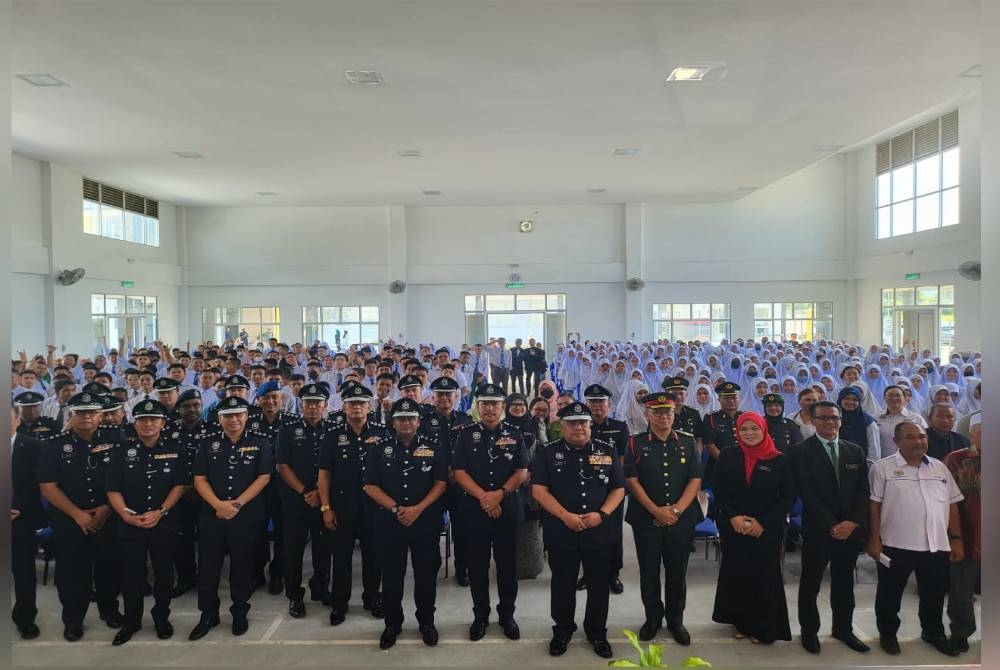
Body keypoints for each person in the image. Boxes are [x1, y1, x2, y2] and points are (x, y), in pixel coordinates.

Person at [530, 402, 626, 659]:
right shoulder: (549, 452)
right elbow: (538, 490)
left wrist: (602, 514)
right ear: (561, 426)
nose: (579, 427)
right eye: (572, 423)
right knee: (562, 583)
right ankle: (562, 630)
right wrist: (565, 516)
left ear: (590, 425)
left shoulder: (607, 449)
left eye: (583, 422)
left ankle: (597, 632)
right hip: (562, 530)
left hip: (599, 530)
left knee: (598, 585)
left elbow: (619, 487)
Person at [868, 421, 964, 657]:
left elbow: (952, 505)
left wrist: (956, 539)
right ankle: (888, 634)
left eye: (922, 436)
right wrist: (873, 540)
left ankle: (933, 632)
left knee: (934, 593)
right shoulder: (883, 468)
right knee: (890, 594)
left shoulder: (939, 468)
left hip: (935, 545)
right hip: (895, 544)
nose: (918, 441)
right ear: (896, 442)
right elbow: (874, 506)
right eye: (910, 437)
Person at [37, 392, 124, 641]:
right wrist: (78, 515)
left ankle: (110, 610)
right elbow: (48, 487)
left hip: (107, 517)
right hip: (69, 521)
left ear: (100, 415)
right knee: (72, 573)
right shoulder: (54, 444)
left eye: (92, 412)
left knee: (109, 568)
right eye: (80, 412)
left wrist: (107, 508)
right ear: (70, 415)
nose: (86, 417)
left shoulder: (116, 439)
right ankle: (73, 620)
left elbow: (125, 478)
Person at [363, 398, 448, 650]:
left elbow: (441, 483)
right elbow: (370, 485)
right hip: (390, 522)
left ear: (419, 421)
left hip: (425, 522)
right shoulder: (379, 447)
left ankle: (426, 622)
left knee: (425, 576)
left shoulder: (434, 446)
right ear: (393, 422)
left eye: (411, 418)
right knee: (391, 577)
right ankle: (392, 623)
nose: (406, 423)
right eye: (401, 419)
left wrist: (418, 509)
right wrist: (397, 508)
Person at [788, 400, 870, 654]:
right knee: (811, 582)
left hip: (850, 530)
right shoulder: (800, 452)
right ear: (812, 421)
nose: (830, 422)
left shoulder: (854, 450)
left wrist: (852, 522)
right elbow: (806, 492)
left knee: (845, 582)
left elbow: (862, 492)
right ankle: (809, 631)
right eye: (824, 418)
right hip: (818, 529)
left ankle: (843, 628)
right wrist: (832, 524)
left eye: (835, 418)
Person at [189, 396, 273, 640]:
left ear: (246, 417)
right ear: (219, 418)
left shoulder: (261, 442)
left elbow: (264, 477)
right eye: (228, 415)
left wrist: (235, 505)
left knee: (242, 566)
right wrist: (218, 504)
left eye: (238, 415)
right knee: (208, 567)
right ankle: (208, 614)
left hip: (245, 515)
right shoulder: (208, 444)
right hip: (212, 515)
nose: (234, 419)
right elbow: (199, 479)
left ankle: (239, 611)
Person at [105, 399, 188, 645]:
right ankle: (132, 620)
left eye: (153, 419)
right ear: (134, 422)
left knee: (163, 573)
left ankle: (161, 617)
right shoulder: (121, 451)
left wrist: (161, 511)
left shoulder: (176, 448)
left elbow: (180, 485)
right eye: (142, 419)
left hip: (163, 522)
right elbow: (112, 488)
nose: (148, 424)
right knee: (131, 574)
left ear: (163, 423)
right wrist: (125, 514)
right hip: (130, 523)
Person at [623, 392, 702, 645]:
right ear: (647, 415)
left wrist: (676, 510)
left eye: (667, 412)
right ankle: (653, 618)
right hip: (646, 519)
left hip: (681, 518)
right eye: (657, 412)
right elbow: (632, 481)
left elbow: (695, 480)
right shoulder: (635, 442)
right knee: (648, 570)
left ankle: (676, 620)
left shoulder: (688, 442)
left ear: (673, 414)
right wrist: (656, 512)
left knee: (677, 571)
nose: (663, 416)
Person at [451, 383, 529, 641]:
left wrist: (499, 495)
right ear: (477, 406)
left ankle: (507, 614)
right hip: (475, 511)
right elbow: (459, 472)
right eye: (485, 403)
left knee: (507, 568)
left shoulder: (515, 434)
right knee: (477, 568)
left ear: (502, 407)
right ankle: (480, 616)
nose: (490, 409)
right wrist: (485, 497)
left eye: (495, 404)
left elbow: (521, 472)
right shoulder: (465, 434)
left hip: (506, 510)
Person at [711, 412, 795, 644]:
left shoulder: (779, 459)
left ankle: (763, 627)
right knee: (738, 574)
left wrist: (763, 522)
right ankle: (741, 623)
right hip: (734, 527)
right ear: (737, 432)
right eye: (744, 429)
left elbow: (788, 497)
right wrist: (734, 517)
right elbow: (720, 490)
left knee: (764, 576)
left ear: (764, 430)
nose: (749, 433)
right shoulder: (728, 455)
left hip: (765, 529)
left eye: (754, 429)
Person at [319, 383, 388, 624]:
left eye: (361, 403)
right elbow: (324, 475)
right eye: (352, 403)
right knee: (341, 558)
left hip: (374, 509)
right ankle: (340, 603)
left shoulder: (381, 433)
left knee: (374, 557)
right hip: (342, 508)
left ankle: (372, 598)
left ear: (369, 407)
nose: (357, 407)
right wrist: (326, 508)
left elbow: (388, 473)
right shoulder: (332, 436)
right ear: (344, 407)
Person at [276, 383, 332, 619]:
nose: (312, 407)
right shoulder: (287, 429)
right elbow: (282, 466)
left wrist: (320, 494)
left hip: (324, 499)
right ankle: (294, 595)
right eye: (307, 403)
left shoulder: (333, 429)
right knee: (293, 549)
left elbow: (336, 468)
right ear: (301, 405)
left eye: (317, 403)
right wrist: (304, 492)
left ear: (325, 406)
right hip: (296, 500)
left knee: (323, 547)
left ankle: (320, 587)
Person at [579, 383, 629, 594]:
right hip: (586, 488)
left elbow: (621, 460)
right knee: (586, 532)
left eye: (601, 402)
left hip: (611, 490)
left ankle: (612, 574)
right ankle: (588, 575)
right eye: (592, 402)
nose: (597, 406)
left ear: (609, 405)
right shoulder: (581, 426)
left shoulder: (619, 427)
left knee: (613, 534)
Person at [943, 413, 981, 654]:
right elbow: (945, 499)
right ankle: (960, 631)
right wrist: (954, 537)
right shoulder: (956, 460)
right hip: (966, 535)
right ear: (971, 434)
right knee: (961, 590)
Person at [11, 408, 48, 639]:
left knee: (24, 571)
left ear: (17, 420)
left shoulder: (34, 446)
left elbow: (41, 484)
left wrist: (18, 508)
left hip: (20, 519)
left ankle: (25, 618)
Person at [512, 395, 548, 578]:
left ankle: (532, 566)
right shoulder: (503, 426)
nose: (518, 408)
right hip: (511, 484)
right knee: (512, 526)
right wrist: (517, 475)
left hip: (532, 483)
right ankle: (512, 567)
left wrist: (530, 472)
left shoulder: (536, 424)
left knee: (532, 526)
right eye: (514, 404)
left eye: (521, 405)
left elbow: (544, 450)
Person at [702, 382, 743, 486]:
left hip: (745, 465)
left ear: (739, 398)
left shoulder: (746, 417)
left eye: (734, 397)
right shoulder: (711, 418)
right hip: (719, 466)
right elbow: (710, 444)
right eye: (726, 398)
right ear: (719, 399)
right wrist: (727, 464)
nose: (731, 401)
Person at [876, 385, 928, 457]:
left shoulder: (916, 418)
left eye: (898, 395)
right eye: (890, 395)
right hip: (883, 460)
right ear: (884, 398)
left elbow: (925, 440)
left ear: (904, 398)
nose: (894, 398)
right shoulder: (876, 418)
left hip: (910, 460)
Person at [837, 386, 880, 458]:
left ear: (859, 402)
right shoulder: (833, 419)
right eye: (847, 398)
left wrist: (870, 467)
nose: (850, 402)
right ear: (840, 399)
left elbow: (874, 449)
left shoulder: (868, 422)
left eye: (855, 400)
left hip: (860, 464)